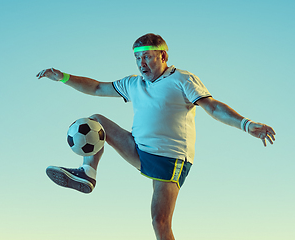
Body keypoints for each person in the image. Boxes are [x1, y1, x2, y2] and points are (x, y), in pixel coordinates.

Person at [36, 33, 275, 240]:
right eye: (138, 58)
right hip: (138, 149)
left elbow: (212, 107)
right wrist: (63, 77)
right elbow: (97, 87)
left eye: (148, 56)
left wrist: (246, 124)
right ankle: (87, 174)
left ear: (163, 56)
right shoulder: (133, 84)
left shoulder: (182, 79)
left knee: (159, 221)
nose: (142, 63)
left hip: (169, 159)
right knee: (95, 120)